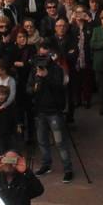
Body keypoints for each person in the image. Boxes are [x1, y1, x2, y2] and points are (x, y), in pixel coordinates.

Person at [29, 55, 73, 183]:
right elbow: (29, 88)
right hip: (39, 111)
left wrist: (46, 77)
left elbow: (60, 88)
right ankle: (46, 165)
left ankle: (68, 169)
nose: (40, 67)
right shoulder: (34, 71)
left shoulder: (57, 70)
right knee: (42, 140)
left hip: (54, 111)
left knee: (60, 142)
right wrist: (34, 87)